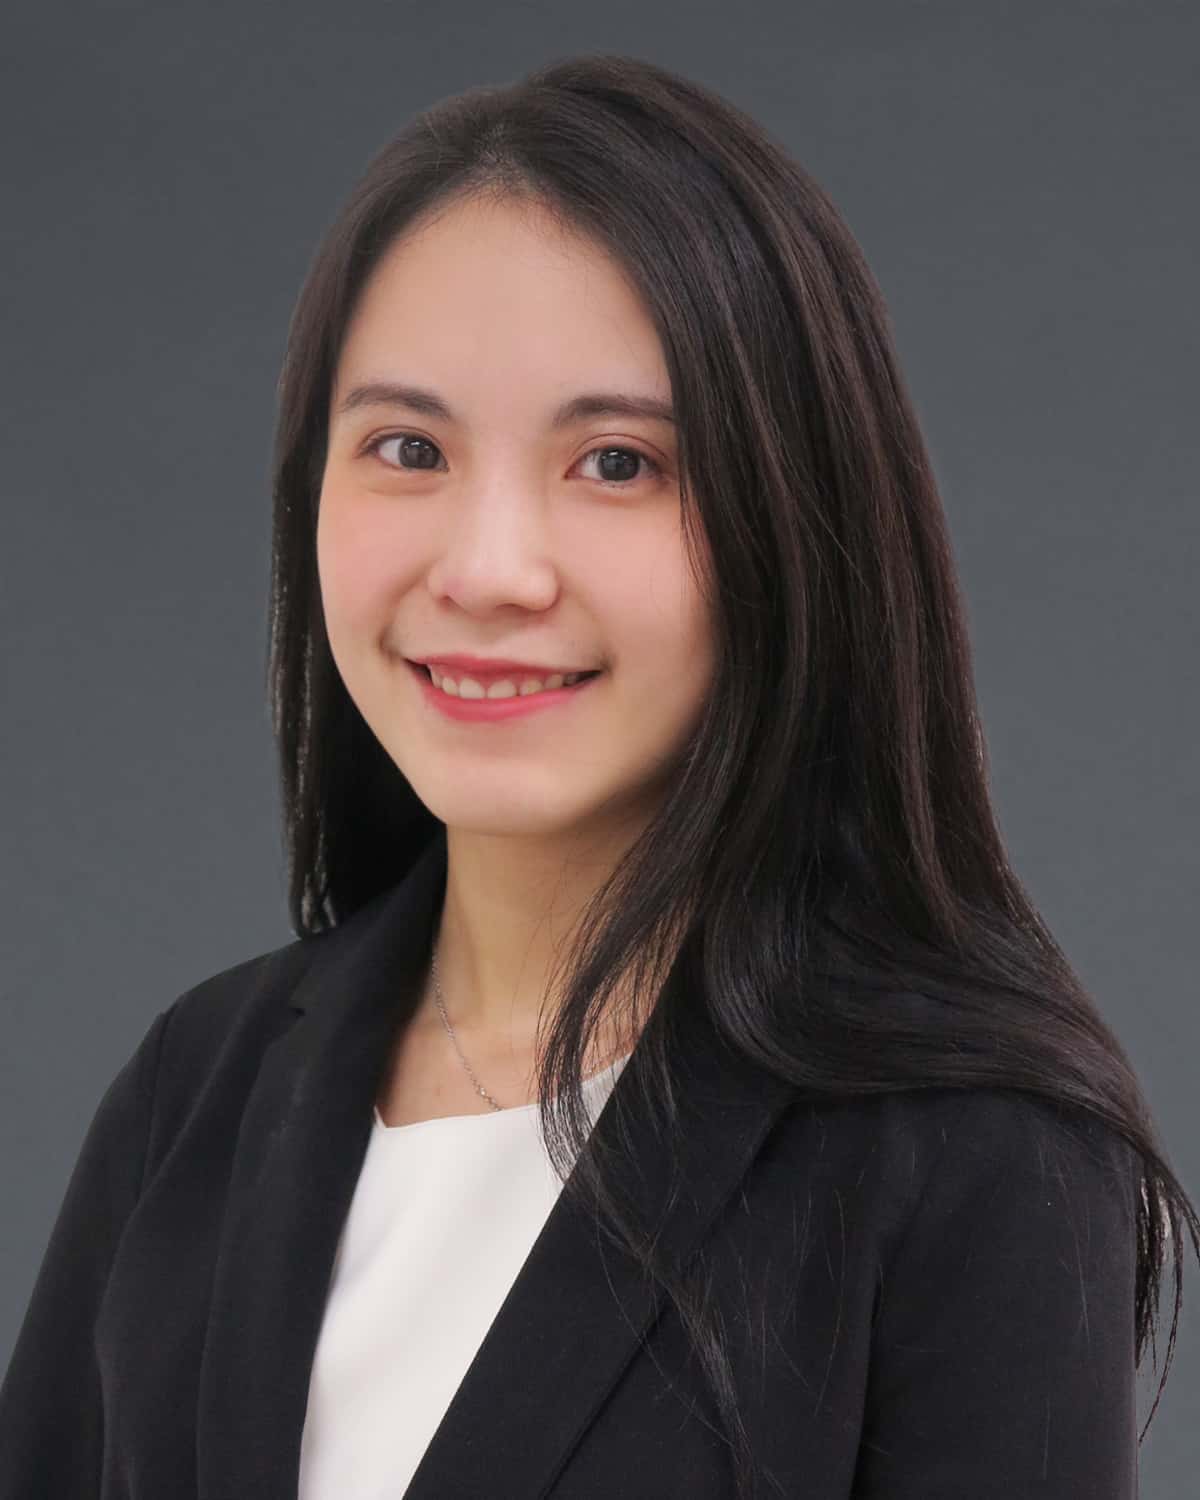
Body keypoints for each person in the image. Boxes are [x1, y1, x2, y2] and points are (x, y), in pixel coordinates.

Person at [0, 52, 1194, 1500]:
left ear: (793, 520)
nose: (489, 570)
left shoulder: (972, 1159)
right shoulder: (196, 1089)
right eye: (407, 448)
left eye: (619, 462)